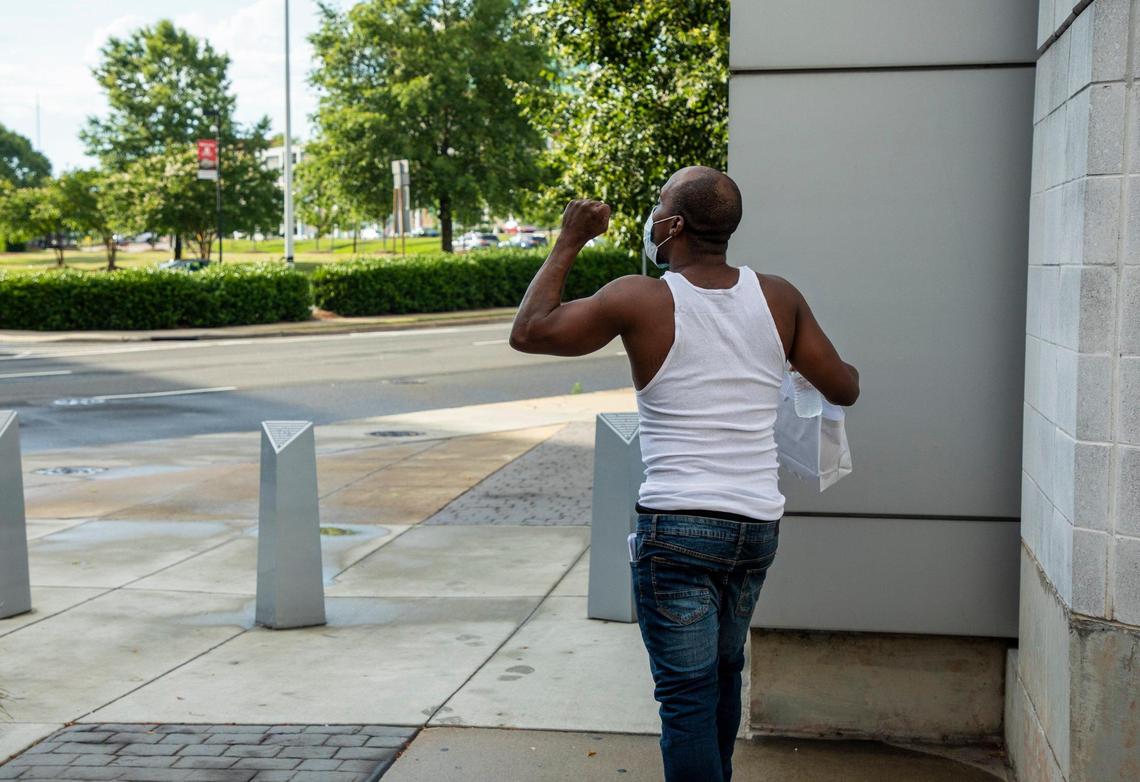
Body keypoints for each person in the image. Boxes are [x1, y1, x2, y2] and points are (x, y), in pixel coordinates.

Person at [510, 166, 859, 782]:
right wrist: (782, 360)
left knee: (687, 701)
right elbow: (845, 386)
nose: (652, 215)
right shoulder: (778, 297)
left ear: (670, 225)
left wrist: (570, 239)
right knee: (723, 679)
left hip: (679, 532)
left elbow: (531, 331)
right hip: (755, 530)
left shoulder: (640, 297)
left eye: (658, 204)